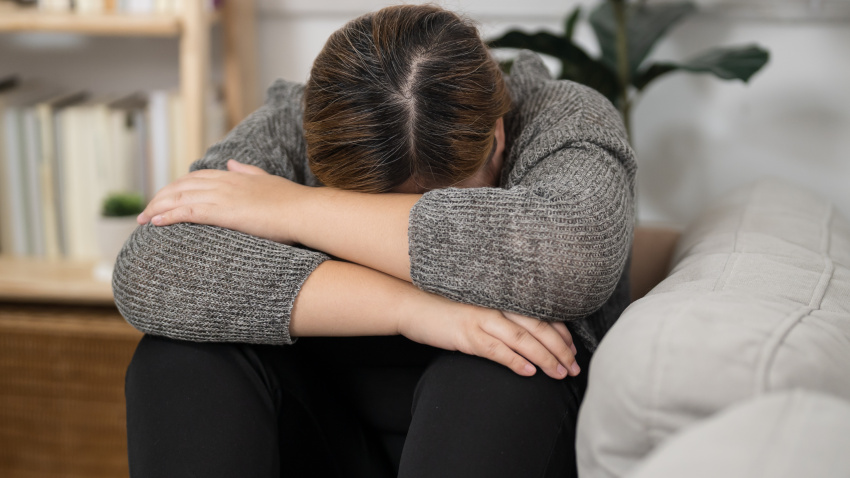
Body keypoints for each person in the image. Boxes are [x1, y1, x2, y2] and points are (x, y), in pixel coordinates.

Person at [115, 4, 636, 478]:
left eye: (442, 201)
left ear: (497, 138)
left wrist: (296, 207)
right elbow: (151, 267)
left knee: (506, 362)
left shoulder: (560, 117)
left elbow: (573, 252)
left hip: (496, 425)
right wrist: (415, 309)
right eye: (360, 200)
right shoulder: (291, 128)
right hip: (325, 425)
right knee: (179, 358)